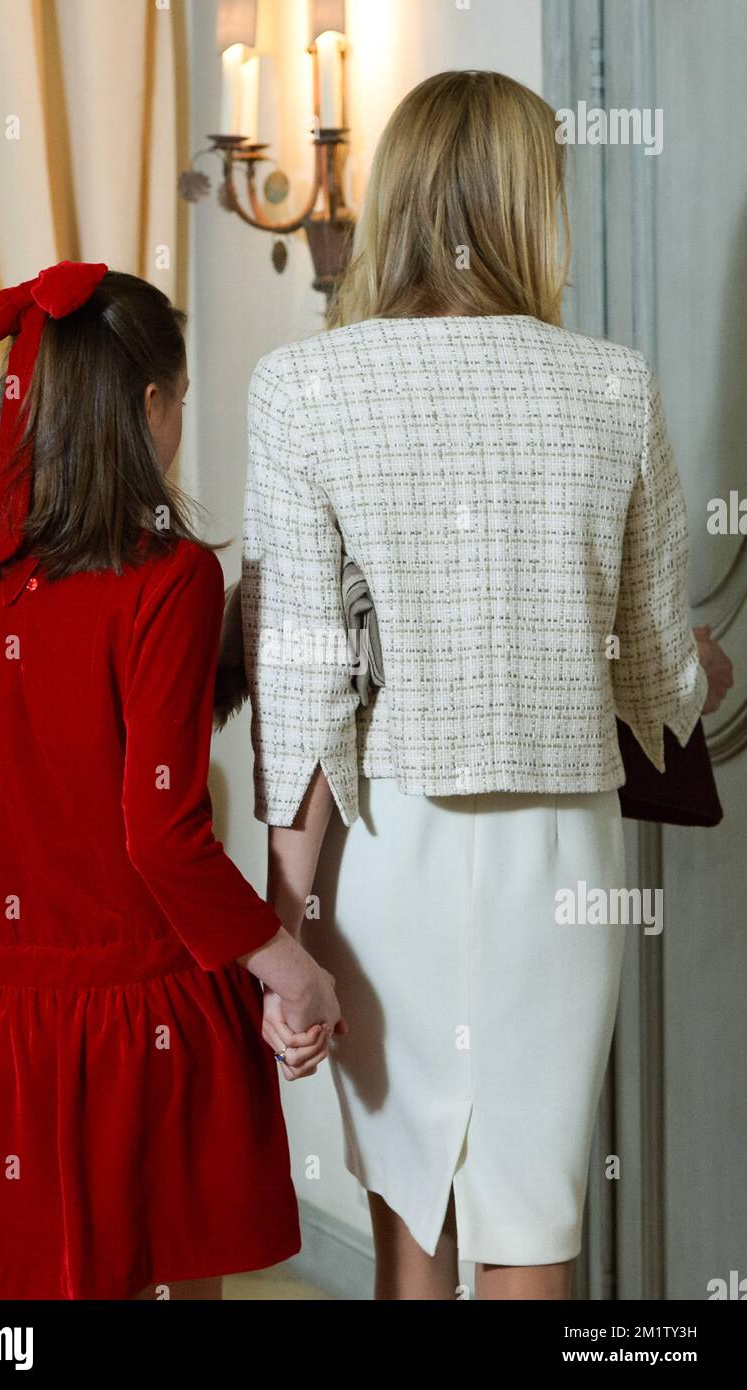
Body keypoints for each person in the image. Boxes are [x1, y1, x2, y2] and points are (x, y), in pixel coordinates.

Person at [240, 70, 731, 1301]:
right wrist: (702, 661)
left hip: (387, 850)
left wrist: (282, 933)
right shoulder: (613, 384)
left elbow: (304, 685)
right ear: (531, 203)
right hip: (561, 860)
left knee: (412, 1217)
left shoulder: (306, 387)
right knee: (533, 1214)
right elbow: (654, 674)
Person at [0, 261, 342, 1301]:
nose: (182, 419)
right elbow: (159, 833)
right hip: (146, 1015)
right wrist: (293, 969)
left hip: (2, 1018)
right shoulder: (171, 576)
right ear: (148, 404)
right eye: (183, 400)